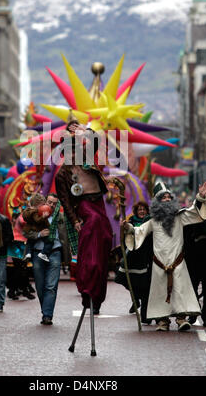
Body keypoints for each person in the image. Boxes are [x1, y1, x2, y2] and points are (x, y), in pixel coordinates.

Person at [122, 181, 206, 332]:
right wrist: (128, 227)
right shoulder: (152, 221)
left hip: (177, 261)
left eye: (169, 197)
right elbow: (138, 231)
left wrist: (200, 197)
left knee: (180, 290)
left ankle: (181, 319)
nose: (168, 199)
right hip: (159, 263)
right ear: (157, 201)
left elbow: (195, 212)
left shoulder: (180, 216)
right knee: (160, 292)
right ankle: (163, 321)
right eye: (164, 197)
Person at [55, 119, 113, 315]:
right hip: (84, 207)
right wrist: (75, 221)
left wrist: (83, 130)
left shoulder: (88, 159)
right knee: (91, 249)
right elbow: (65, 200)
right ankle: (86, 288)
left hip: (99, 204)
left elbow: (95, 139)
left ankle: (97, 297)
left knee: (104, 243)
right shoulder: (62, 174)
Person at [23, 193, 63, 325]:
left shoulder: (60, 217)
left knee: (51, 286)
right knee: (40, 286)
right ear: (45, 202)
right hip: (37, 252)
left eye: (54, 203)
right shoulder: (37, 214)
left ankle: (47, 315)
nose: (51, 205)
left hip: (55, 252)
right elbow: (26, 232)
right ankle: (45, 310)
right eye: (49, 202)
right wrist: (39, 234)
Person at [115, 201, 153, 324]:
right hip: (132, 257)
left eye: (144, 209)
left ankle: (144, 310)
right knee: (128, 280)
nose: (142, 211)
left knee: (144, 284)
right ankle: (135, 298)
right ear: (136, 211)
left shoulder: (150, 222)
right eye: (139, 209)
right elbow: (123, 238)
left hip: (146, 256)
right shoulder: (130, 222)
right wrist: (123, 227)